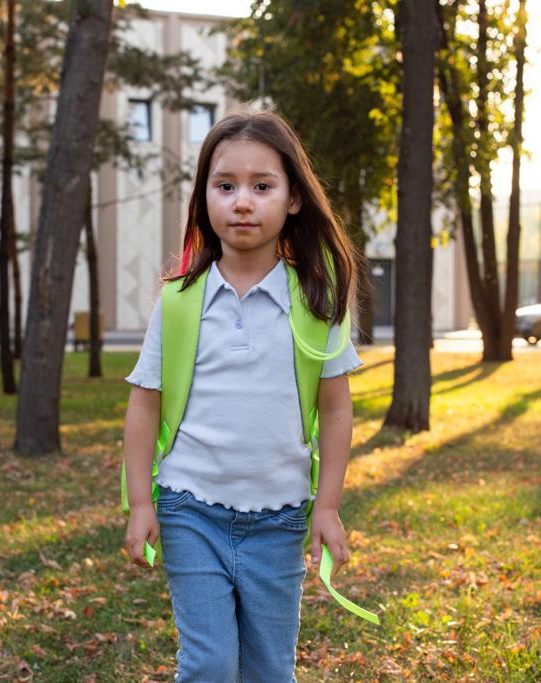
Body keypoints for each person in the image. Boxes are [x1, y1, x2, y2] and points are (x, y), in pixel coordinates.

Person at [122, 109, 362, 682]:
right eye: (225, 186)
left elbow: (335, 409)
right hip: (190, 509)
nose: (243, 202)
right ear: (205, 196)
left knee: (269, 670)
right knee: (207, 664)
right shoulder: (180, 301)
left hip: (279, 518)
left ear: (294, 198)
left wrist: (326, 507)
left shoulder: (316, 302)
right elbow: (143, 405)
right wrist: (140, 503)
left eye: (262, 186)